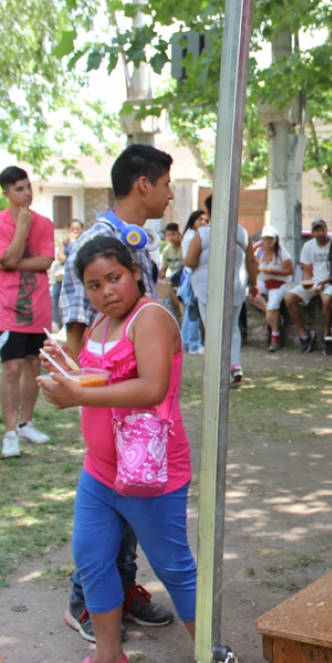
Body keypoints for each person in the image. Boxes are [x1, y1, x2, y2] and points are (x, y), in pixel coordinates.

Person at [39, 236, 197, 663]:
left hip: (150, 473)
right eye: (94, 285)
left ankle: (210, 651)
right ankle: (110, 655)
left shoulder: (150, 318)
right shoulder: (99, 323)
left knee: (173, 568)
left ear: (134, 272)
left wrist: (77, 397)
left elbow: (152, 387)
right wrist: (66, 366)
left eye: (114, 278)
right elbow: (101, 378)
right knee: (91, 560)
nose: (106, 291)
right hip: (100, 472)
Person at [59, 144, 176, 642]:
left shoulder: (139, 240)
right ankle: (86, 602)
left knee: (135, 490)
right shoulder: (95, 242)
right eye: (167, 183)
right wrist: (86, 392)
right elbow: (77, 330)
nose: (172, 194)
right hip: (111, 402)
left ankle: (123, 593)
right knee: (104, 508)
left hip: (144, 402)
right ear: (144, 183)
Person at [1, 166, 54, 458]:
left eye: (28, 187)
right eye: (19, 189)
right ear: (7, 193)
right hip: (8, 309)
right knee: (11, 368)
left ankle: (25, 423)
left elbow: (46, 260)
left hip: (39, 308)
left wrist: (11, 263)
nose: (26, 193)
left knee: (34, 365)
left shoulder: (44, 223)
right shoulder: (2, 223)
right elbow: (7, 256)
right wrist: (21, 227)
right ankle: (10, 433)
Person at [183, 203, 258, 386]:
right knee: (232, 327)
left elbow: (189, 261)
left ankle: (216, 370)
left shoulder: (203, 233)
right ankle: (235, 366)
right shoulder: (242, 233)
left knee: (213, 329)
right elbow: (251, 261)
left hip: (207, 287)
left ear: (209, 211)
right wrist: (254, 283)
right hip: (236, 286)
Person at [284, 219, 332, 356]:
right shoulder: (308, 246)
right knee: (289, 298)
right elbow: (307, 269)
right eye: (317, 230)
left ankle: (326, 336)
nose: (320, 233)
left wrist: (324, 282)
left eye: (322, 230)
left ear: (326, 230)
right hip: (314, 282)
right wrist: (306, 282)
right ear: (313, 233)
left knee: (326, 300)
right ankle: (304, 335)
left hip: (331, 282)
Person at [248, 226, 294, 352]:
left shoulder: (282, 253)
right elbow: (255, 265)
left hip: (280, 283)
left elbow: (290, 270)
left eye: (271, 239)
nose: (268, 241)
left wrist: (275, 271)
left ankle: (275, 336)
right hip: (264, 280)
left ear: (275, 239)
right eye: (266, 238)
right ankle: (272, 315)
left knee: (273, 306)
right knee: (249, 293)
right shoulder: (260, 252)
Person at [178, 210, 207, 355]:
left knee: (190, 310)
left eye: (205, 220)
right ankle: (194, 343)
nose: (203, 222)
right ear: (193, 220)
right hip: (192, 273)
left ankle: (186, 342)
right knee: (193, 309)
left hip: (189, 273)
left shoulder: (190, 235)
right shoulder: (192, 236)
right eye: (200, 219)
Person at [52, 219, 85, 331]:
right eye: (73, 229)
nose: (75, 231)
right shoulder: (64, 243)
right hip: (63, 277)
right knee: (55, 296)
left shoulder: (85, 242)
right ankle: (55, 322)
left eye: (78, 229)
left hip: (78, 278)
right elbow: (60, 256)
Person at [159, 222, 184, 288]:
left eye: (173, 234)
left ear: (179, 234)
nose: (171, 237)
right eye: (168, 235)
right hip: (174, 279)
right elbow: (163, 270)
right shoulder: (166, 251)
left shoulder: (184, 247)